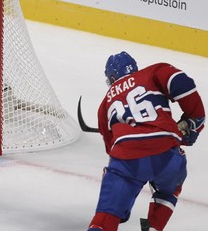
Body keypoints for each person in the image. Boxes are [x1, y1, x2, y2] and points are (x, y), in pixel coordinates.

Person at [87, 51, 205, 231]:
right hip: (167, 153)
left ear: (111, 77)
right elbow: (181, 82)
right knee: (170, 187)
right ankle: (153, 227)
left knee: (106, 215)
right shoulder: (152, 72)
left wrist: (121, 202)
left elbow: (112, 149)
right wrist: (194, 118)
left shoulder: (104, 105)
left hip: (127, 159)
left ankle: (112, 213)